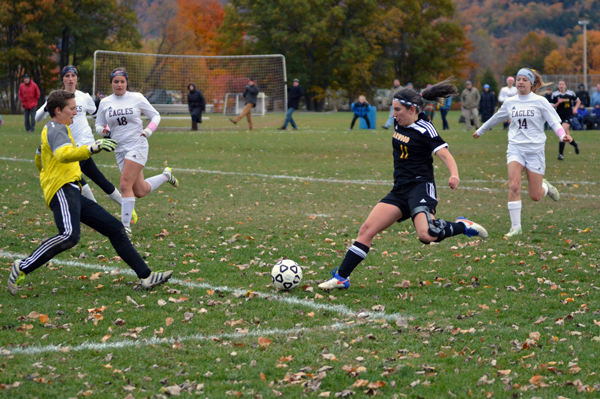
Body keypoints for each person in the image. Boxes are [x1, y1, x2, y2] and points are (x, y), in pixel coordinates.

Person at [318, 79, 488, 291]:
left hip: (420, 188)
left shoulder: (425, 128)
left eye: (398, 110)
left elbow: (444, 154)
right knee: (366, 230)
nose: (394, 114)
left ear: (412, 109)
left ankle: (463, 226)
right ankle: (342, 278)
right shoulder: (401, 121)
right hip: (400, 189)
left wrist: (454, 174)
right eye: (393, 110)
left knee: (426, 235)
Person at [7, 90, 172, 295]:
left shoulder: (59, 128)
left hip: (72, 190)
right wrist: (91, 148)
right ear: (58, 110)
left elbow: (39, 158)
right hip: (62, 190)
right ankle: (22, 266)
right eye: (72, 108)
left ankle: (146, 276)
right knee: (69, 235)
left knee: (114, 228)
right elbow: (62, 154)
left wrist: (46, 169)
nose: (76, 112)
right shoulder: (55, 127)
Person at [474, 68, 566, 238]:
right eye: (518, 79)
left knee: (536, 196)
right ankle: (515, 227)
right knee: (514, 184)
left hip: (535, 151)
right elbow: (496, 118)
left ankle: (546, 187)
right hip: (516, 148)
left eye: (524, 79)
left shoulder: (540, 102)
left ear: (531, 83)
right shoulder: (510, 102)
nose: (520, 82)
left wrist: (562, 135)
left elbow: (554, 121)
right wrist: (480, 131)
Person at [35, 66, 132, 222]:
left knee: (80, 179)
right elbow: (37, 118)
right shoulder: (56, 99)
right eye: (67, 75)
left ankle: (99, 215)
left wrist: (106, 127)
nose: (70, 78)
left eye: (73, 75)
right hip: (68, 147)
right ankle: (124, 210)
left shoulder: (84, 97)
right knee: (97, 179)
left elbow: (96, 116)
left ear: (77, 79)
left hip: (85, 145)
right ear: (63, 79)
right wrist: (47, 106)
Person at [95, 68, 179, 236]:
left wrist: (148, 131)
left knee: (125, 184)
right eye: (115, 81)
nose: (119, 84)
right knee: (140, 191)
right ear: (111, 83)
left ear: (127, 82)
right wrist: (104, 131)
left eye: (122, 81)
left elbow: (156, 116)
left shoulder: (137, 98)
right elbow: (98, 125)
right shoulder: (105, 103)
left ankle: (125, 227)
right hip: (119, 149)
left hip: (138, 145)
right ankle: (166, 175)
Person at [550, 81, 580, 160]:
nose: (561, 85)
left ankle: (560, 155)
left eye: (562, 84)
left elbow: (578, 101)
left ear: (566, 85)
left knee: (562, 133)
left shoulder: (571, 94)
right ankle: (574, 144)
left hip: (568, 116)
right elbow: (552, 106)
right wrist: (557, 103)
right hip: (559, 117)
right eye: (559, 84)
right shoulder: (555, 95)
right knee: (567, 136)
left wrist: (576, 109)